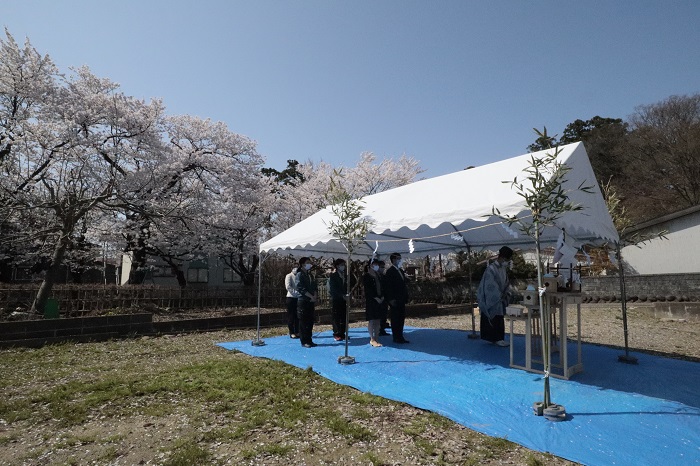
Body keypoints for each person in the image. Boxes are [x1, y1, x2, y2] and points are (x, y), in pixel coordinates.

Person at [476, 246, 514, 347]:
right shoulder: (491, 269)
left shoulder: (503, 269)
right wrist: (499, 294)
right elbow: (489, 284)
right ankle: (496, 338)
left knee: (499, 318)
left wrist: (506, 291)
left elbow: (506, 282)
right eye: (507, 259)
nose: (507, 262)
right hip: (493, 298)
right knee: (494, 317)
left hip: (500, 297)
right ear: (502, 257)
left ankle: (498, 338)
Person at [383, 252, 410, 343]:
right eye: (398, 258)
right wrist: (390, 299)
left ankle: (400, 336)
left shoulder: (400, 270)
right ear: (393, 260)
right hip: (394, 299)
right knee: (395, 318)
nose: (400, 260)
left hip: (401, 298)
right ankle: (396, 336)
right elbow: (388, 287)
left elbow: (403, 284)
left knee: (401, 318)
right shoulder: (390, 271)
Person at [363, 260, 387, 347]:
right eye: (375, 264)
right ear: (370, 266)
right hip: (372, 301)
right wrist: (375, 298)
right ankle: (372, 339)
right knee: (372, 320)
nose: (377, 266)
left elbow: (383, 287)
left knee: (378, 320)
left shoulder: (379, 275)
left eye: (377, 264)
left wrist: (382, 297)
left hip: (380, 299)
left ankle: (376, 337)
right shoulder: (367, 276)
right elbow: (368, 290)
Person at [295, 257, 318, 348]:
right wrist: (310, 296)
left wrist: (315, 296)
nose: (309, 264)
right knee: (303, 322)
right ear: (302, 264)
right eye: (307, 262)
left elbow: (314, 286)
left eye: (310, 262)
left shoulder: (310, 275)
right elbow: (300, 288)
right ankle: (304, 340)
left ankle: (309, 339)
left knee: (310, 321)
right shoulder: (299, 275)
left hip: (310, 301)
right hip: (303, 300)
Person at [328, 258, 348, 341]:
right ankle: (336, 333)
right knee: (336, 316)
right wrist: (341, 295)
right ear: (337, 266)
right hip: (336, 298)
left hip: (344, 299)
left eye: (344, 265)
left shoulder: (344, 275)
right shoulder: (333, 276)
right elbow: (333, 289)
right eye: (341, 265)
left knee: (343, 316)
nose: (343, 267)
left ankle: (342, 333)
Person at [284, 265, 300, 338]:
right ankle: (291, 332)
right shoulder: (289, 276)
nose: (295, 269)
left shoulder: (299, 275)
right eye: (294, 267)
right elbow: (288, 286)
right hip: (291, 297)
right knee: (291, 316)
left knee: (297, 315)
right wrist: (295, 293)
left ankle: (297, 331)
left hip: (298, 298)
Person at [376, 260, 390, 336]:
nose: (383, 269)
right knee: (378, 315)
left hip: (384, 298)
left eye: (383, 267)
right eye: (381, 267)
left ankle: (382, 329)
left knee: (384, 314)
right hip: (377, 299)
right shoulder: (374, 276)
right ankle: (378, 329)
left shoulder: (384, 276)